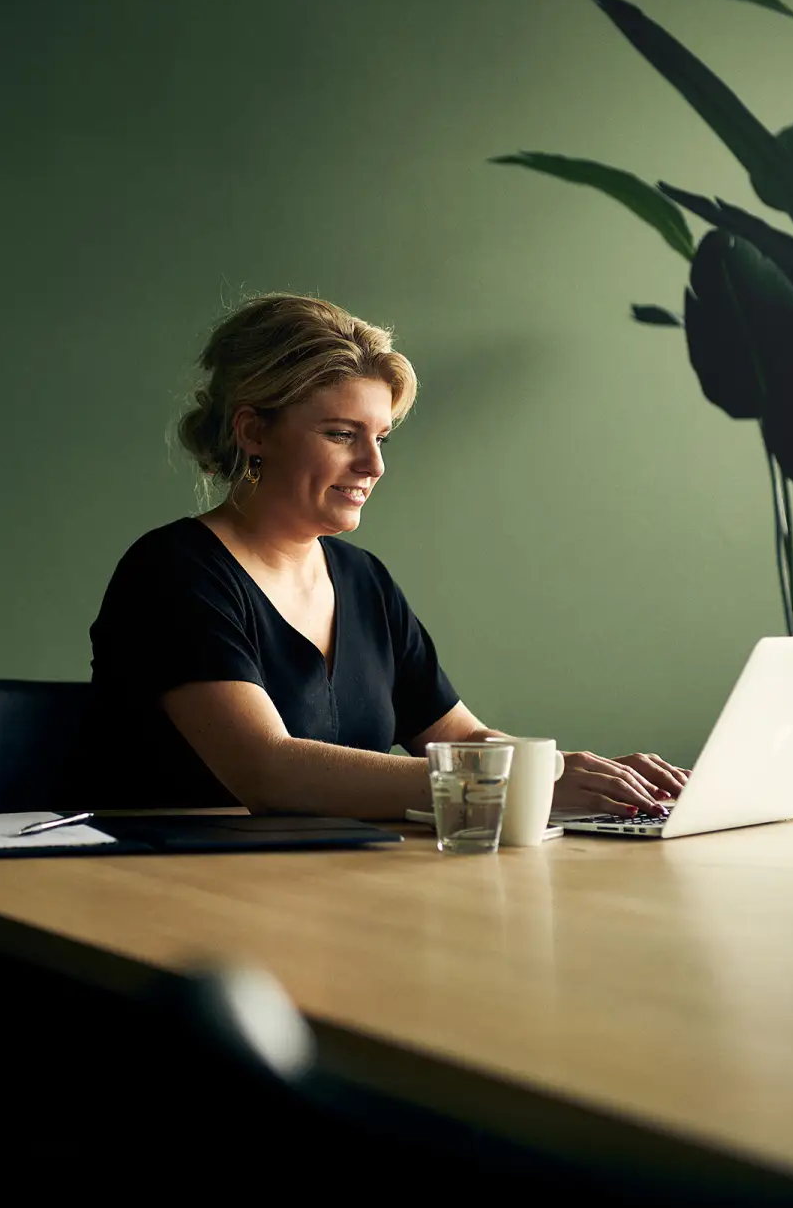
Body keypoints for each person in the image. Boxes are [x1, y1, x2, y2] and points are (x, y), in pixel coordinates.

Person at [90, 293, 687, 819]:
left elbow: (459, 735)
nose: (373, 466)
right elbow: (268, 771)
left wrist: (571, 771)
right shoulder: (173, 572)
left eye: (381, 438)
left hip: (338, 889)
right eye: (342, 434)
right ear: (253, 432)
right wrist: (527, 784)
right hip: (185, 898)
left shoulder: (362, 578)